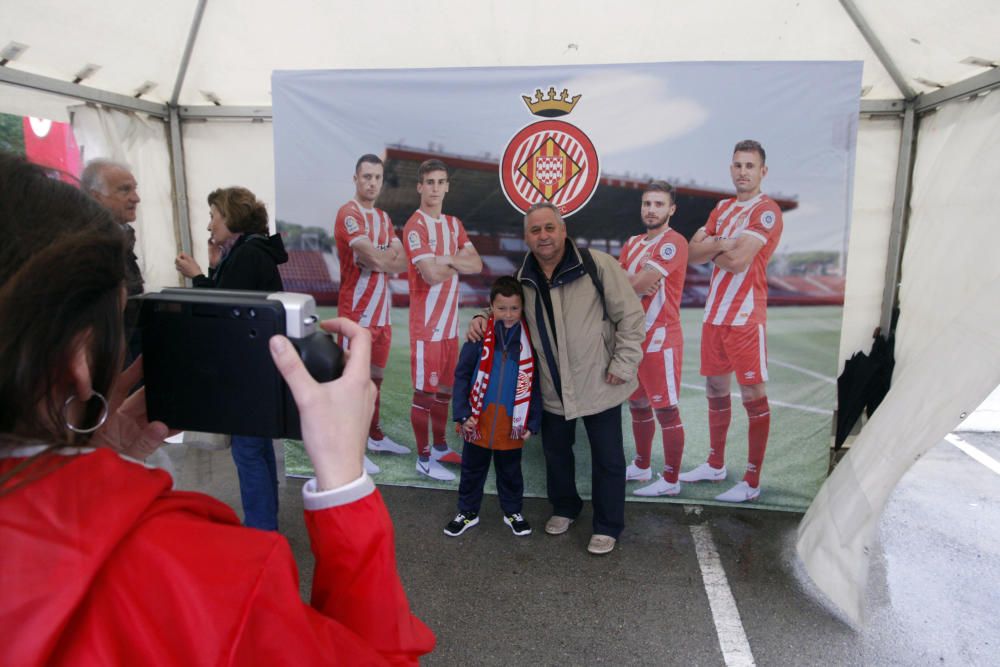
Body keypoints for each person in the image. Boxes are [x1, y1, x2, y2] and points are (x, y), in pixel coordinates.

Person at [0, 153, 435, 665]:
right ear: (78, 360)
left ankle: (264, 518)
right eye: (120, 320)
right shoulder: (200, 578)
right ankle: (265, 521)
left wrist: (96, 455)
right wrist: (344, 484)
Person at [468, 202, 644, 555]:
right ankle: (566, 507)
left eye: (550, 228)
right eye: (535, 230)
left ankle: (607, 525)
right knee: (556, 454)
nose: (543, 236)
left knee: (608, 458)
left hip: (599, 381)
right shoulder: (522, 278)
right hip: (551, 386)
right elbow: (504, 310)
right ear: (526, 237)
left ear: (563, 231)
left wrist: (622, 365)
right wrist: (480, 317)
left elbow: (631, 317)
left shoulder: (596, 264)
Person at [175, 187, 289, 529]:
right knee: (257, 448)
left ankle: (261, 528)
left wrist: (197, 276)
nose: (210, 225)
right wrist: (213, 268)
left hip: (249, 370)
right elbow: (231, 298)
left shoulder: (248, 255)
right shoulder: (250, 252)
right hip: (259, 367)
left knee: (248, 452)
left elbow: (224, 311)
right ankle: (266, 521)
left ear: (231, 217)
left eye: (214, 216)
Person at [680, 140, 784, 503]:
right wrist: (724, 244)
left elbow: (739, 262)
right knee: (715, 391)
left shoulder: (766, 210)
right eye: (738, 165)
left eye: (750, 166)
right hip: (714, 315)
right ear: (730, 169)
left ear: (762, 172)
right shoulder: (722, 208)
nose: (743, 171)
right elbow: (691, 254)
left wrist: (714, 247)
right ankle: (715, 464)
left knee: (753, 395)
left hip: (744, 316)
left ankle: (752, 482)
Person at [403, 159, 483, 482]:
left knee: (445, 393)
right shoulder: (415, 226)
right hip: (426, 328)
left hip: (450, 326)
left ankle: (439, 447)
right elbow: (432, 275)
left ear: (447, 186)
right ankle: (423, 460)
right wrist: (455, 261)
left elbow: (476, 264)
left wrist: (447, 257)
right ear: (420, 186)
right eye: (429, 182)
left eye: (441, 182)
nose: (435, 188)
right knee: (424, 394)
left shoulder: (454, 224)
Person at [445, 276, 542, 537]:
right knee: (472, 471)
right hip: (478, 422)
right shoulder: (478, 337)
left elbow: (535, 386)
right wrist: (463, 413)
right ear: (491, 307)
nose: (508, 314)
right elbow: (462, 376)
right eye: (501, 308)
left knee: (510, 473)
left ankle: (512, 512)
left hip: (511, 424)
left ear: (522, 308)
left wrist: (532, 421)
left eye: (514, 308)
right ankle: (467, 512)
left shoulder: (529, 343)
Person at [334, 154, 411, 476]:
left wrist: (382, 259)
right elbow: (376, 259)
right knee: (355, 383)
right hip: (357, 314)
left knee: (376, 381)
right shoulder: (348, 214)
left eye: (377, 177)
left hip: (382, 315)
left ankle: (375, 436)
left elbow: (402, 262)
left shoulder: (383, 216)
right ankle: (352, 448)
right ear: (355, 178)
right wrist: (383, 258)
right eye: (366, 176)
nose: (372, 183)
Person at [618, 181, 690, 497]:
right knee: (637, 403)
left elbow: (640, 281)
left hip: (660, 339)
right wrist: (628, 284)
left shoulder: (673, 242)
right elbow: (617, 283)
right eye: (647, 203)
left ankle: (671, 480)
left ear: (671, 209)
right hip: (633, 339)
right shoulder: (632, 243)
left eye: (659, 204)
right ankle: (642, 465)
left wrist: (629, 282)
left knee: (666, 410)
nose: (651, 209)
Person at [81, 158, 143, 296]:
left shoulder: (121, 234)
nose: (136, 198)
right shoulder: (88, 244)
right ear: (96, 197)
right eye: (125, 190)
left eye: (134, 189)